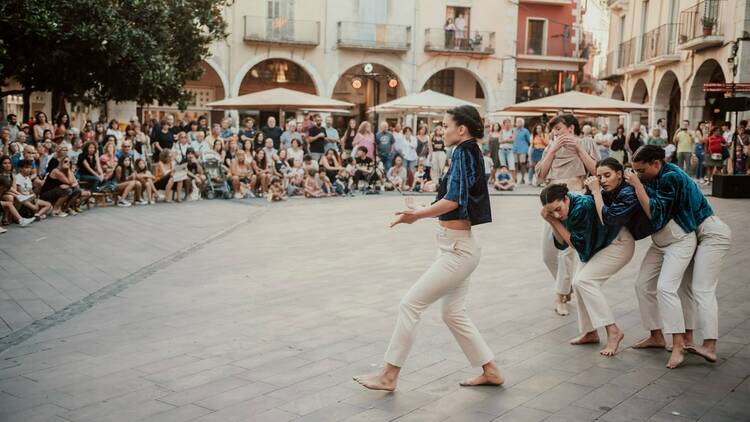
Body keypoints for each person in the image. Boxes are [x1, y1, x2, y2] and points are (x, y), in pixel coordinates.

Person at [354, 105, 502, 391]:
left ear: (461, 129)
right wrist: (422, 208)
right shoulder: (468, 151)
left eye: (445, 125)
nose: (441, 130)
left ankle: (388, 375)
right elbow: (454, 200)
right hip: (458, 245)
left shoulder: (462, 152)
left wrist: (417, 215)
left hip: (458, 250)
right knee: (453, 313)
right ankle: (491, 370)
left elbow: (455, 201)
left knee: (410, 304)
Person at [628, 145, 731, 368]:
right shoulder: (657, 175)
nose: (638, 175)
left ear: (657, 164)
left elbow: (656, 212)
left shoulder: (671, 176)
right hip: (691, 234)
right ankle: (684, 339)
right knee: (683, 288)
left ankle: (709, 345)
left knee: (702, 289)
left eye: (641, 171)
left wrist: (637, 186)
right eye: (635, 171)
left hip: (711, 233)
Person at [540, 178, 634, 356]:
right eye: (552, 212)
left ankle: (613, 331)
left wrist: (556, 222)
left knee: (584, 281)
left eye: (558, 209)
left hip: (617, 243)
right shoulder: (564, 210)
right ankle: (590, 332)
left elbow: (576, 245)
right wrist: (552, 221)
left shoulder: (581, 206)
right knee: (577, 283)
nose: (558, 215)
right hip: (597, 245)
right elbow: (561, 243)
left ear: (566, 198)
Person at [535, 114, 599, 316]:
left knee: (565, 253)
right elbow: (541, 175)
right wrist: (552, 149)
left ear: (570, 128)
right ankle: (566, 286)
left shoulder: (586, 142)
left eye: (559, 129)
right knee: (548, 254)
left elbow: (596, 170)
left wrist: (579, 149)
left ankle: (560, 295)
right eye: (554, 130)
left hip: (573, 197)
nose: (556, 133)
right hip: (551, 199)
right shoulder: (551, 146)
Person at [513, 118, 531, 184]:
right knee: (515, 164)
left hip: (523, 149)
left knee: (522, 164)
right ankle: (515, 179)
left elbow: (529, 140)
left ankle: (523, 179)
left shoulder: (525, 131)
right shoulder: (514, 130)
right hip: (515, 149)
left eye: (520, 122)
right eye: (517, 122)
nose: (518, 123)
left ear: (522, 123)